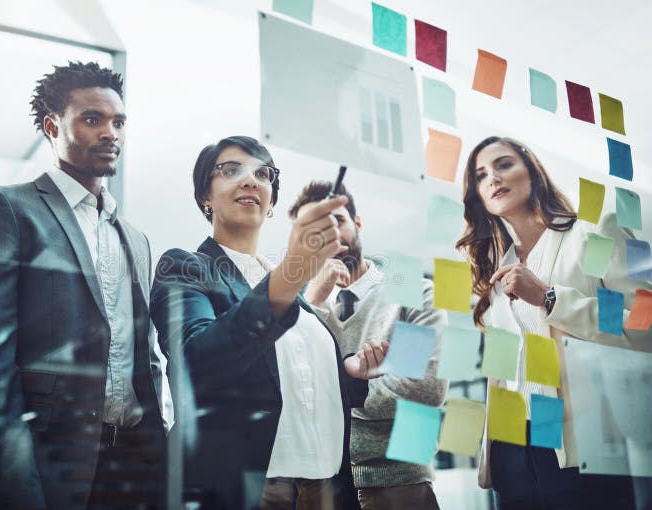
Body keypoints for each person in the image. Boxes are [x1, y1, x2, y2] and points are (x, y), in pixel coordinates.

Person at [0, 61, 168, 510]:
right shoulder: (6, 209)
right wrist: (10, 486)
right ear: (53, 126)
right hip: (40, 468)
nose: (111, 133)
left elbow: (143, 360)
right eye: (93, 119)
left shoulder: (136, 238)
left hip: (129, 471)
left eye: (119, 122)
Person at [150, 136, 387, 510]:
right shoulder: (185, 267)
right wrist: (292, 273)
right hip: (252, 488)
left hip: (328, 487)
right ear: (205, 197)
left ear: (271, 200)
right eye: (231, 170)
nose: (251, 180)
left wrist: (348, 373)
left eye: (263, 174)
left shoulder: (291, 283)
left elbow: (294, 379)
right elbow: (197, 366)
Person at [456, 136, 652, 510]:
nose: (493, 178)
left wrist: (550, 298)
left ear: (532, 171)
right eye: (480, 176)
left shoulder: (594, 232)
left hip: (581, 443)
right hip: (510, 447)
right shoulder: (495, 270)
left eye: (503, 164)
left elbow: (647, 324)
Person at [291, 181, 448, 510]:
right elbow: (293, 396)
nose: (330, 237)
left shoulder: (414, 292)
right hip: (318, 486)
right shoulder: (297, 308)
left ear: (357, 224)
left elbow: (423, 389)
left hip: (400, 482)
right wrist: (314, 305)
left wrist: (332, 395)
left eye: (337, 222)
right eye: (314, 231)